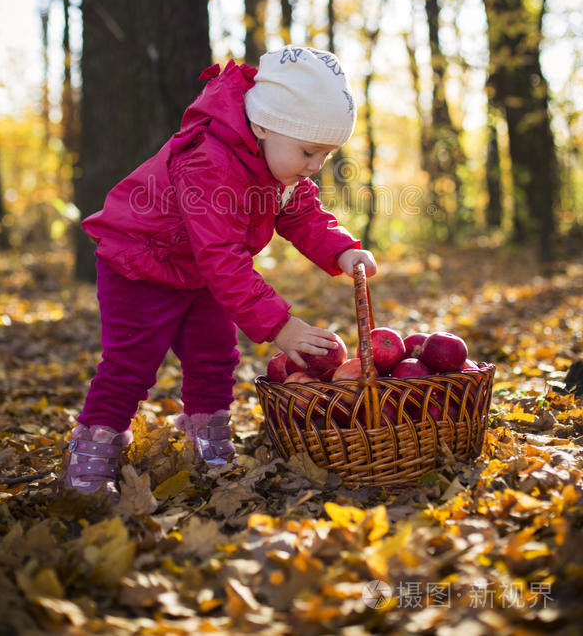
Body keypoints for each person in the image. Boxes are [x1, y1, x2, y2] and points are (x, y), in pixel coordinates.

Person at [64, 46, 377, 497]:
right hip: (142, 263)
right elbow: (222, 256)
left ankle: (208, 444)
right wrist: (280, 326)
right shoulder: (209, 160)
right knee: (131, 364)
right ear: (266, 125)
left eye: (324, 156)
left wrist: (342, 250)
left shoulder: (277, 167)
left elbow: (303, 214)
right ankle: (93, 452)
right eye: (309, 151)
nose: (315, 167)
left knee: (214, 357)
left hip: (201, 274)